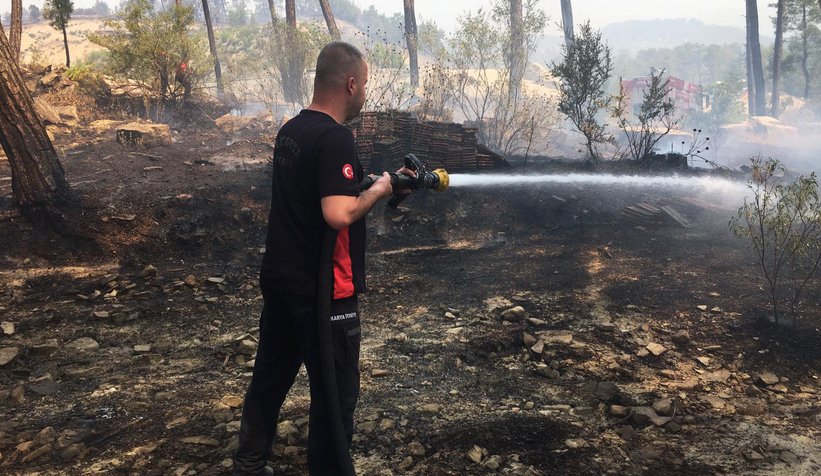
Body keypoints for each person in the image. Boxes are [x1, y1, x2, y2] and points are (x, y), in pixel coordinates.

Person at [232, 42, 405, 476]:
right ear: (351, 84)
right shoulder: (336, 137)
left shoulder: (292, 130)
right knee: (334, 394)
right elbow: (337, 213)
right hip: (325, 293)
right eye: (365, 84)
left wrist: (373, 181)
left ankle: (248, 464)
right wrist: (379, 191)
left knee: (270, 376)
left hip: (282, 280)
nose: (365, 93)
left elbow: (315, 191)